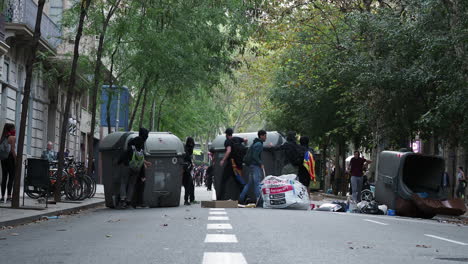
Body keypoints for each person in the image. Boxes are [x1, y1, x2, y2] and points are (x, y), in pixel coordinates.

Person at [117, 128, 151, 208]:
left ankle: (122, 200)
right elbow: (141, 157)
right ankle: (128, 201)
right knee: (132, 184)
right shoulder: (142, 145)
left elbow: (126, 153)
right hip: (137, 168)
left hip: (128, 165)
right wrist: (143, 173)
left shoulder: (132, 142)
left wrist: (119, 162)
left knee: (124, 182)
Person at [219, 128, 247, 200]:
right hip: (238, 164)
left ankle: (220, 198)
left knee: (223, 180)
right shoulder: (237, 139)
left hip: (231, 164)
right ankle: (245, 197)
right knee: (238, 180)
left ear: (226, 134)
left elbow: (228, 151)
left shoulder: (227, 141)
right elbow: (245, 139)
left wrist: (223, 160)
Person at [239, 130, 266, 205]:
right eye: (265, 136)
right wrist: (260, 163)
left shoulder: (255, 143)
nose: (265, 137)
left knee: (249, 183)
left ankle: (241, 198)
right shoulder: (259, 144)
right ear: (261, 136)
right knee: (257, 183)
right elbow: (255, 156)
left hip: (251, 166)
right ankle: (259, 201)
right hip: (255, 166)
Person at [0, 123, 16, 203]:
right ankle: (9, 197)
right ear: (10, 129)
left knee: (4, 177)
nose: (15, 130)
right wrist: (16, 158)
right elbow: (12, 150)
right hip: (10, 159)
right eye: (13, 128)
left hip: (3, 159)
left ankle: (2, 197)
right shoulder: (12, 137)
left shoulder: (2, 137)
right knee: (11, 177)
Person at [183, 137, 195, 205]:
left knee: (190, 185)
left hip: (185, 169)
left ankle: (191, 199)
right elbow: (187, 158)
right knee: (188, 185)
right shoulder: (188, 149)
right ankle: (187, 200)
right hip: (186, 169)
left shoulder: (185, 148)